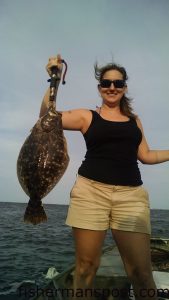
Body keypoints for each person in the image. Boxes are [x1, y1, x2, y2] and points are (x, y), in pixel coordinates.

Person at [40, 54, 169, 300]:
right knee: (86, 268)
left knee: (141, 274)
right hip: (90, 193)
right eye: (107, 83)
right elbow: (47, 117)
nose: (112, 87)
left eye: (118, 83)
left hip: (131, 197)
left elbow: (147, 155)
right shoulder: (87, 116)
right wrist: (54, 79)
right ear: (100, 88)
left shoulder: (134, 121)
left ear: (124, 87)